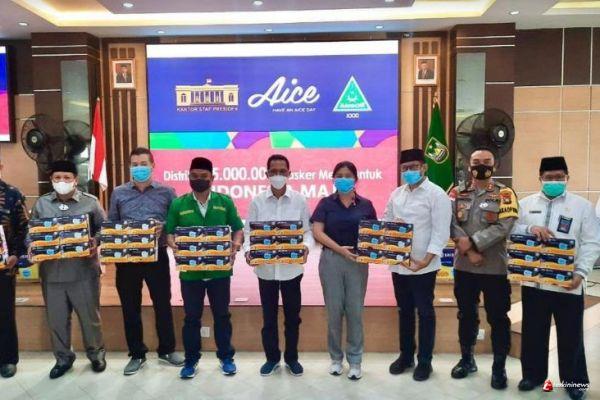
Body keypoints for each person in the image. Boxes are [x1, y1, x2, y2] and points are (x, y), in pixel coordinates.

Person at [513, 156, 599, 400]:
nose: (554, 181)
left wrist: (581, 273)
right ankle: (532, 376)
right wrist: (530, 228)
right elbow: (512, 230)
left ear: (567, 177)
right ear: (540, 178)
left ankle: (574, 382)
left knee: (571, 335)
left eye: (559, 177)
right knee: (533, 332)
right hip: (534, 283)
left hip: (567, 284)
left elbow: (592, 242)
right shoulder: (525, 204)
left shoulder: (582, 206)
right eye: (549, 177)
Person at [166, 157, 244, 379]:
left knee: (222, 316)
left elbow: (238, 229)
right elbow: (170, 233)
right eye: (194, 176)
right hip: (190, 274)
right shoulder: (178, 204)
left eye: (203, 176)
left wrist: (236, 245)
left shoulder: (224, 202)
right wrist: (174, 246)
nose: (199, 179)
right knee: (192, 318)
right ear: (189, 177)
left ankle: (226, 357)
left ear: (212, 178)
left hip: (220, 272)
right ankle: (191, 361)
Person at [108, 147, 184, 375]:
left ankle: (167, 350)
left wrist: (165, 227)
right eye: (135, 164)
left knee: (163, 304)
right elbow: (112, 223)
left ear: (153, 165)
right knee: (130, 306)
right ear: (130, 167)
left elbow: (177, 223)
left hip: (157, 256)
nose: (139, 168)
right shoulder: (118, 193)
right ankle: (137, 354)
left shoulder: (167, 192)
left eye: (143, 164)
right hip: (127, 259)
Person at [449, 147, 518, 390]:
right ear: (469, 166)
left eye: (486, 161)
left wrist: (474, 243)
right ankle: (467, 360)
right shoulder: (456, 192)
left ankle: (499, 367)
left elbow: (504, 226)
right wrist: (469, 252)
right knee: (466, 315)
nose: (481, 165)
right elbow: (450, 222)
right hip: (464, 266)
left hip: (494, 269)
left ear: (494, 165)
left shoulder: (505, 193)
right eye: (476, 161)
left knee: (498, 318)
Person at [30, 160, 106, 379]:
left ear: (75, 179)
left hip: (83, 272)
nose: (61, 181)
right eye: (57, 178)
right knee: (57, 320)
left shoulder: (91, 202)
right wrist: (30, 245)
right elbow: (31, 231)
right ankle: (63, 358)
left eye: (66, 177)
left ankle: (96, 354)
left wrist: (95, 241)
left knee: (90, 318)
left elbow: (104, 228)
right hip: (52, 273)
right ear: (51, 180)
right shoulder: (42, 204)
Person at [384, 149, 452, 382]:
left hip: (424, 265)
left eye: (414, 167)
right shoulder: (396, 194)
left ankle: (425, 361)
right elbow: (386, 221)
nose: (409, 171)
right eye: (405, 168)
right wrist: (392, 225)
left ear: (424, 167)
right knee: (404, 311)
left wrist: (426, 260)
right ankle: (406, 356)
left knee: (425, 312)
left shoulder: (437, 194)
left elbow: (441, 231)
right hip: (399, 264)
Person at [243, 154, 313, 377]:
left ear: (289, 174)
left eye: (282, 171)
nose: (278, 175)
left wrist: (306, 247)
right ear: (266, 174)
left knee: (293, 318)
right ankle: (272, 358)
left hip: (292, 270)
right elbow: (248, 232)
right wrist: (248, 251)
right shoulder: (257, 201)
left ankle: (292, 358)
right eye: (273, 171)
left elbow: (307, 232)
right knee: (269, 319)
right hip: (265, 270)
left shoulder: (300, 200)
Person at [311, 160, 377, 381]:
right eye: (339, 175)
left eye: (348, 175)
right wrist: (340, 249)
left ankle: (355, 360)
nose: (343, 179)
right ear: (333, 179)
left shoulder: (366, 205)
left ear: (356, 179)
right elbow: (317, 232)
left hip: (358, 262)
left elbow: (374, 234)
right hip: (331, 260)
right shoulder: (325, 203)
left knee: (355, 312)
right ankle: (336, 359)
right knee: (334, 312)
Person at [0, 160, 29, 379]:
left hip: (4, 267)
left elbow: (24, 229)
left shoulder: (12, 194)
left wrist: (16, 255)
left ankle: (8, 359)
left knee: (5, 314)